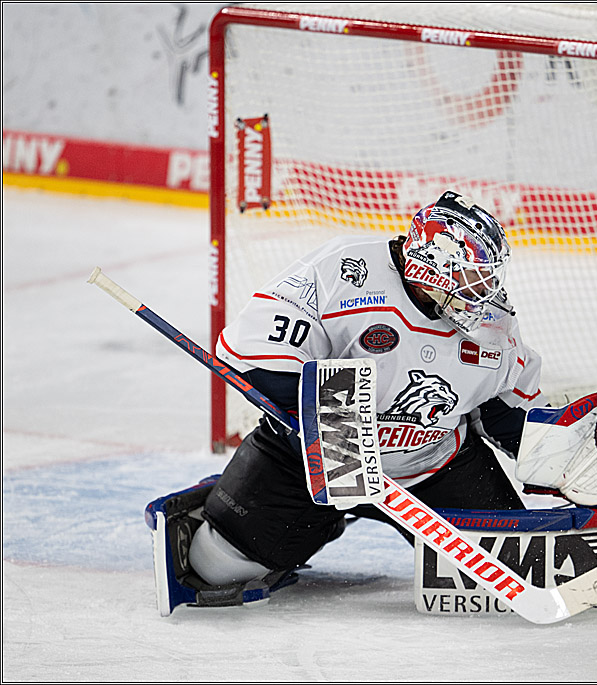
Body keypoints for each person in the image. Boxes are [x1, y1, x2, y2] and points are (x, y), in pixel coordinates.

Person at [182, 190, 548, 591]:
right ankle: (310, 518)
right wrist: (337, 433)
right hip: (311, 461)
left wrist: (561, 456)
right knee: (218, 566)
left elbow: (507, 411)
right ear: (435, 270)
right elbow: (252, 352)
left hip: (432, 465)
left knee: (507, 573)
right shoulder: (343, 269)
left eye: (489, 275)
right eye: (472, 275)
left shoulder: (493, 321)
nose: (485, 288)